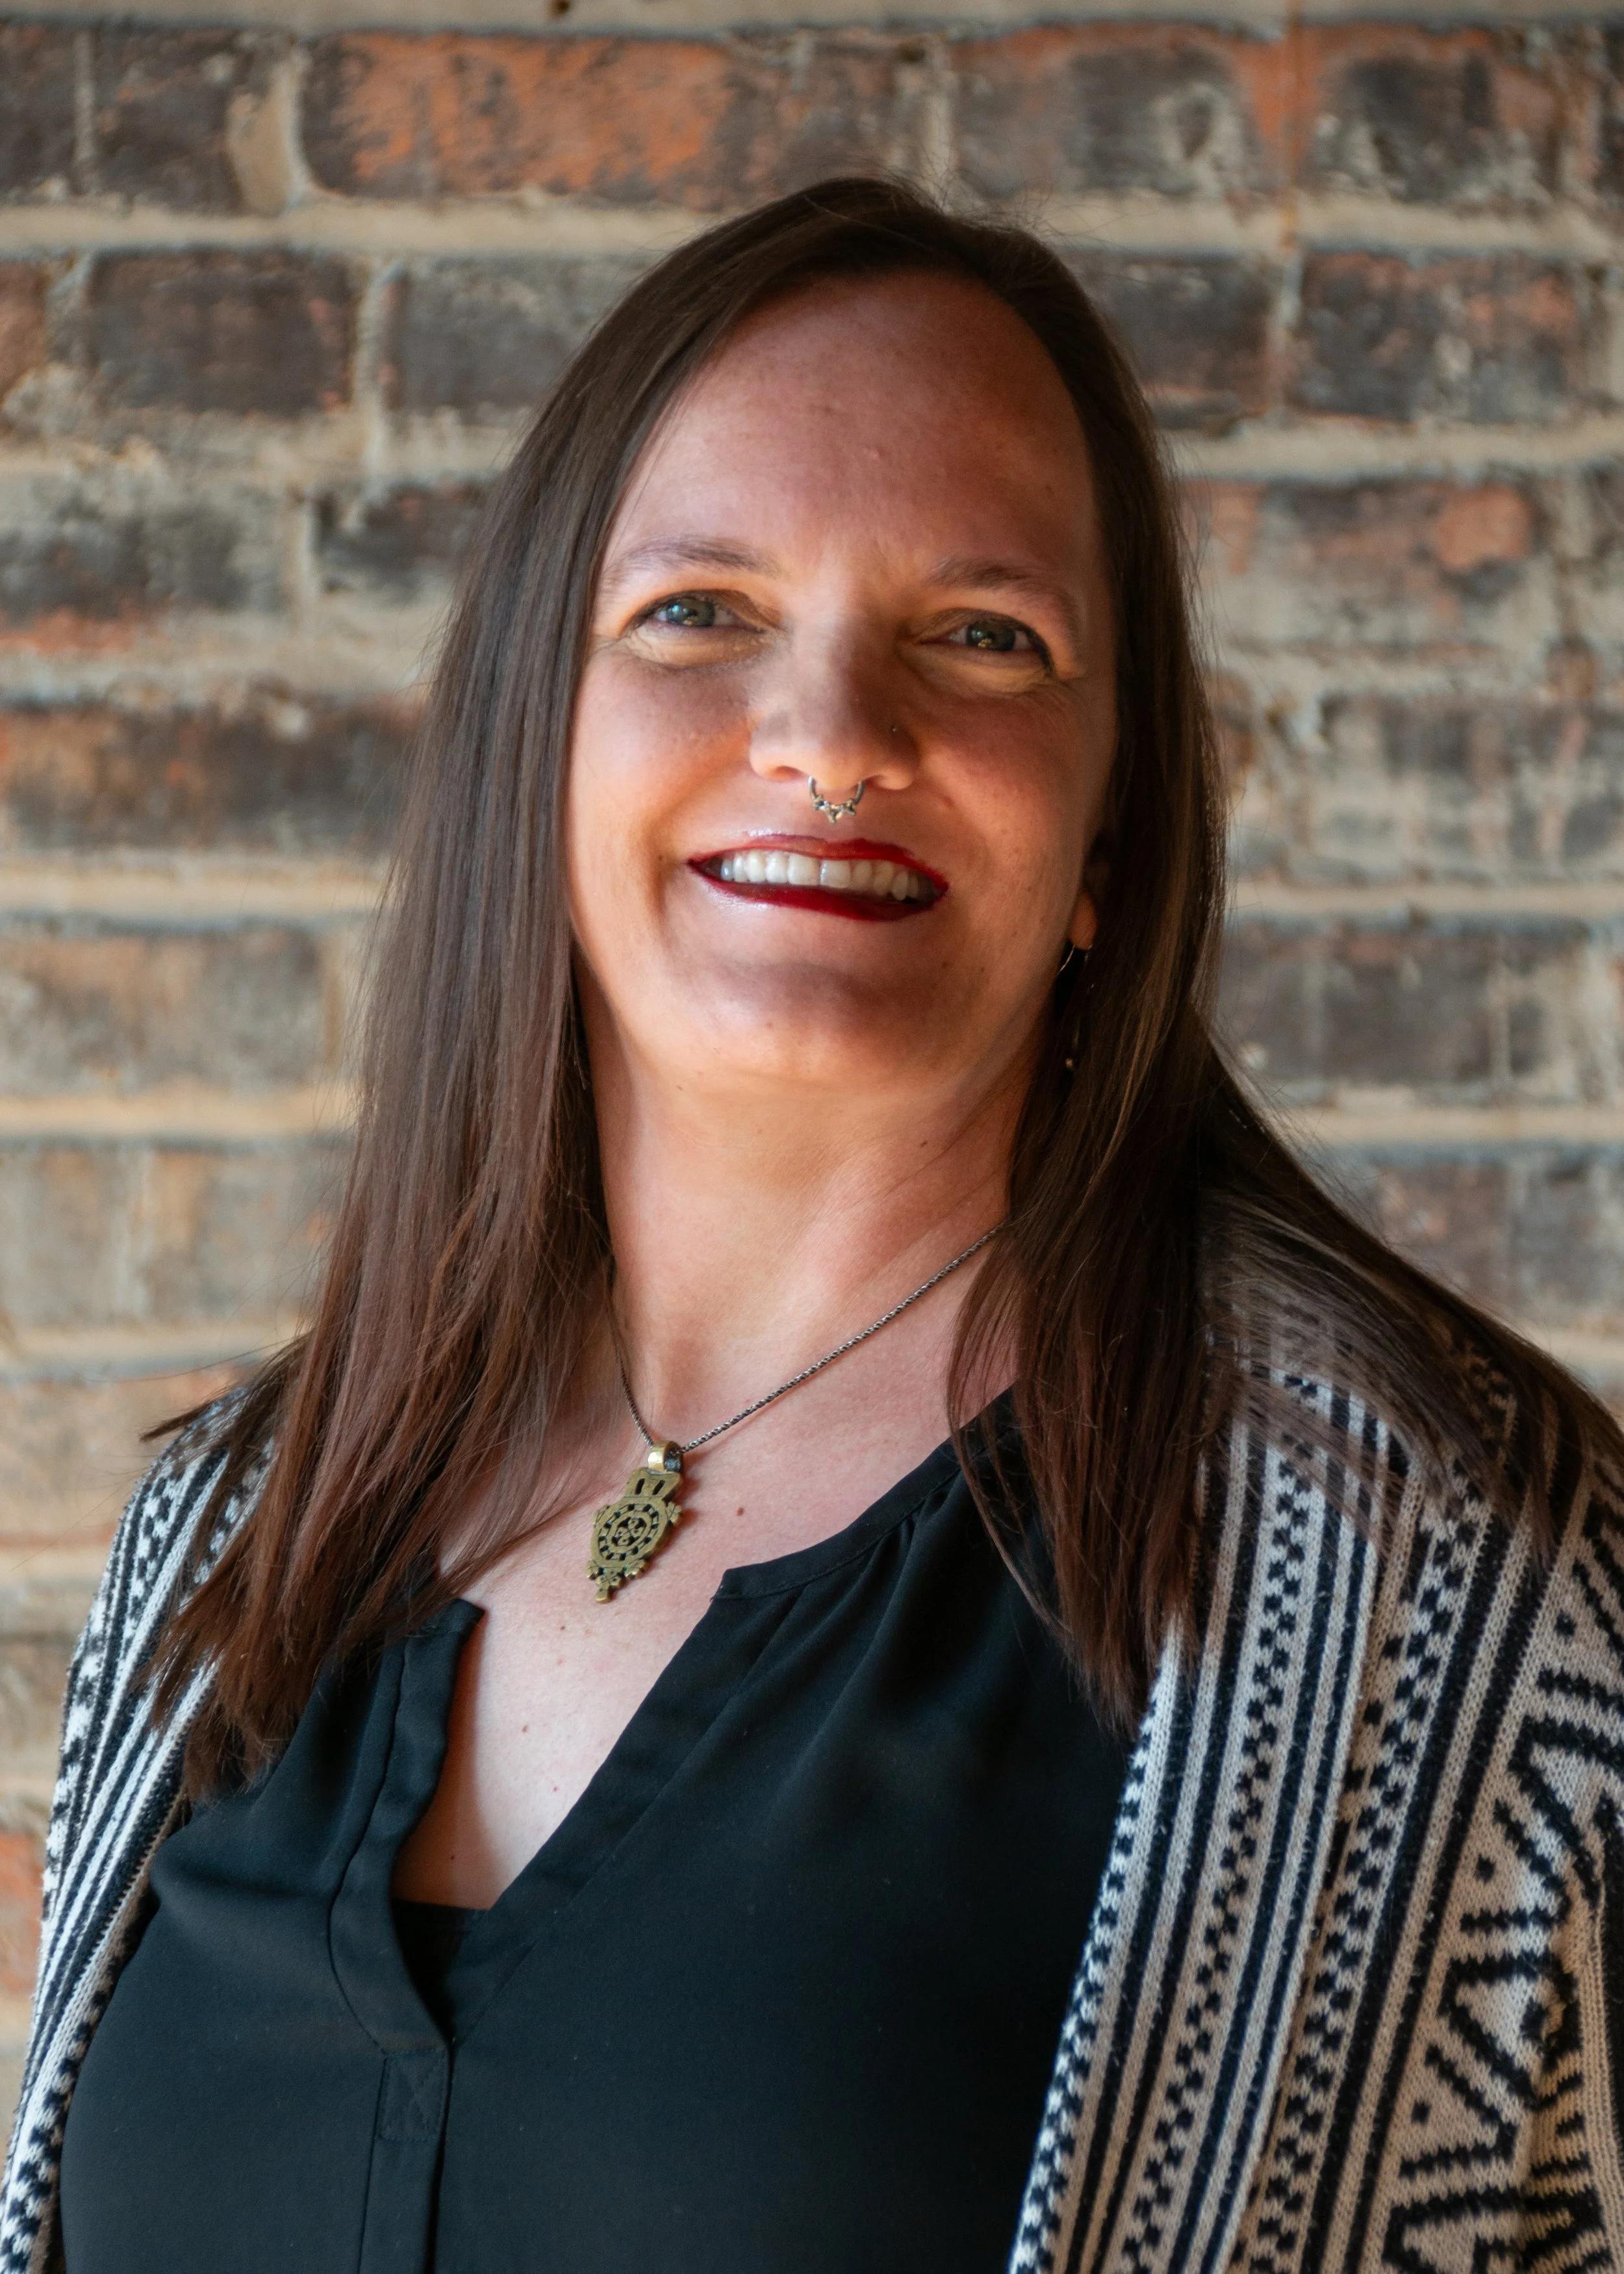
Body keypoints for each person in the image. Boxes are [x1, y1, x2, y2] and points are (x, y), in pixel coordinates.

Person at [6, 175, 1623, 2274]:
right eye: (696, 613)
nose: (835, 738)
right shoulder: (232, 1536)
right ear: (535, 744)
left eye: (983, 636)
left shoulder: (1446, 1584)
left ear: (1114, 827)